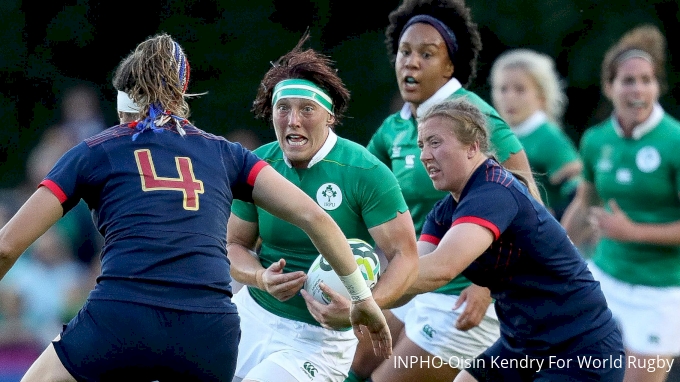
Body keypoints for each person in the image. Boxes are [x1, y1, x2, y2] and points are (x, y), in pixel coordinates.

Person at [0, 33, 391, 382]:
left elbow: (6, 247)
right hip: (209, 334)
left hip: (121, 317)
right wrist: (363, 299)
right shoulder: (227, 154)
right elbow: (315, 217)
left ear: (125, 102)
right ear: (181, 96)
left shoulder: (95, 149)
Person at [356, 0, 537, 380]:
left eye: (427, 53)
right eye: (405, 52)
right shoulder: (395, 128)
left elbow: (529, 204)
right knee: (352, 361)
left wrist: (486, 284)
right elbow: (356, 195)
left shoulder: (476, 119)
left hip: (462, 292)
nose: (412, 62)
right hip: (416, 277)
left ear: (450, 66)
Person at [226, 33, 418, 382]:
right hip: (251, 315)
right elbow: (233, 245)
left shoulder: (365, 171)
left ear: (330, 116)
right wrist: (259, 277)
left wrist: (365, 306)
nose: (293, 120)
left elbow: (405, 255)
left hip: (318, 341)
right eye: (283, 108)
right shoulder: (257, 165)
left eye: (307, 109)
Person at [406, 98, 624, 381]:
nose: (424, 155)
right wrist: (360, 299)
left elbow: (440, 269)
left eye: (434, 142)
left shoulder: (494, 192)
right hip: (521, 346)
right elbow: (413, 270)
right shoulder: (444, 210)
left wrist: (363, 286)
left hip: (579, 350)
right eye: (422, 144)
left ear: (473, 147)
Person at [561, 24, 680, 382]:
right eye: (628, 81)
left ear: (657, 86)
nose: (639, 89)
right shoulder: (596, 141)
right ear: (610, 87)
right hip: (605, 278)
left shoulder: (674, 141)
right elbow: (584, 204)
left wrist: (633, 231)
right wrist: (553, 250)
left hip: (660, 293)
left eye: (647, 80)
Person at [490, 48, 582, 220]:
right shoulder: (497, 136)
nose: (509, 97)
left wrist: (550, 219)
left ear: (541, 96)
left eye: (520, 90)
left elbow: (579, 194)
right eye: (503, 89)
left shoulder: (549, 138)